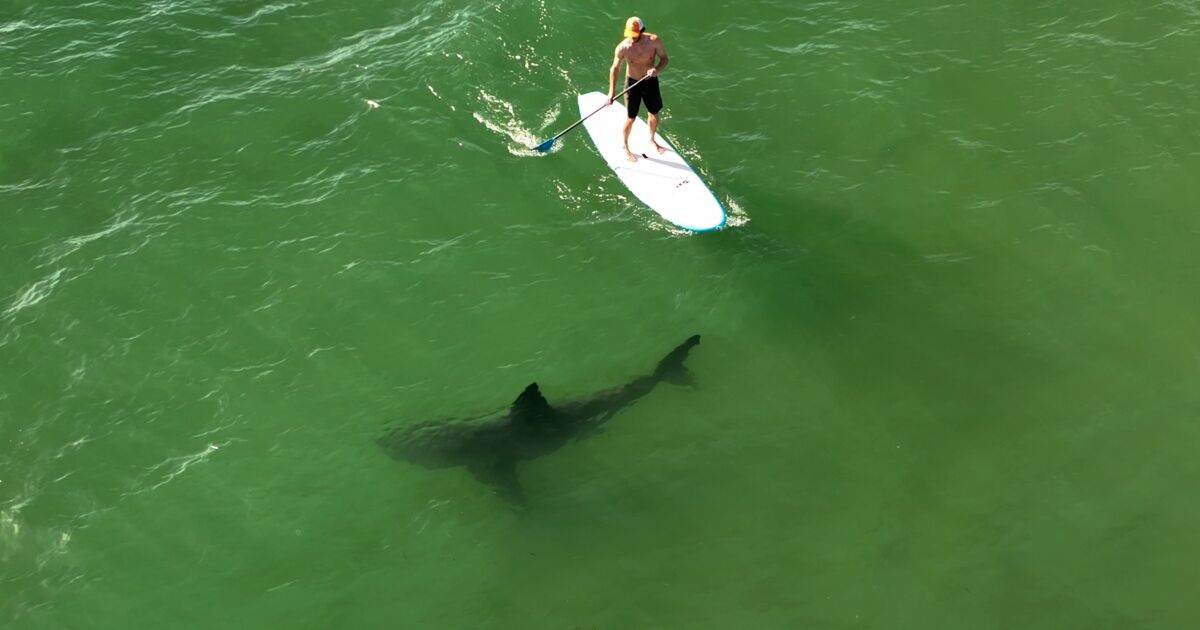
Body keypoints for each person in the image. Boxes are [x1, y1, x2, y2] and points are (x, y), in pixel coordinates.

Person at [606, 16, 669, 162]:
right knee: (631, 117)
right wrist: (611, 92)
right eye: (629, 35)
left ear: (642, 31)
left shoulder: (654, 41)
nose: (631, 39)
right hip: (632, 82)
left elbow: (664, 59)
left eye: (635, 35)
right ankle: (625, 146)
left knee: (653, 113)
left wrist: (656, 69)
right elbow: (614, 68)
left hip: (650, 81)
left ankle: (652, 139)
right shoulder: (623, 47)